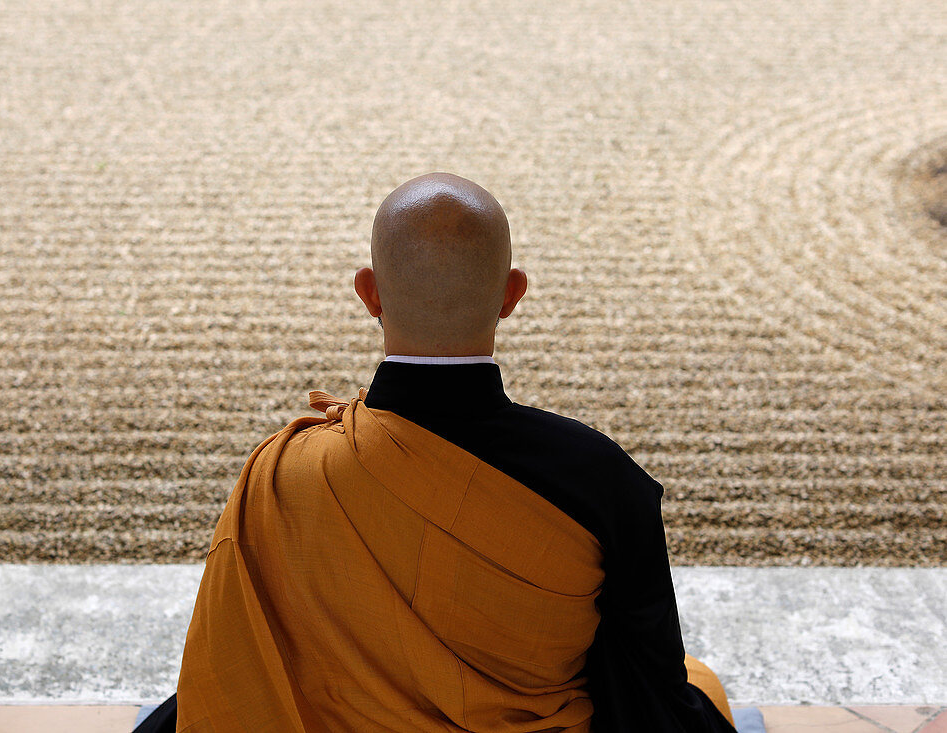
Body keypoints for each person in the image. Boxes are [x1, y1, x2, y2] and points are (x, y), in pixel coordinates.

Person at [136, 172, 737, 733]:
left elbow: (236, 657)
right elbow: (641, 682)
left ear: (368, 292)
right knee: (698, 680)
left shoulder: (286, 473)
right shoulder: (603, 479)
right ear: (512, 294)